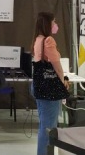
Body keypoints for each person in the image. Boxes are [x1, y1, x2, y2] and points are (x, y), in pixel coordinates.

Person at [31, 12, 69, 155]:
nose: (55, 25)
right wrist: (63, 82)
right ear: (47, 24)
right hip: (50, 88)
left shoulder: (38, 39)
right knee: (49, 126)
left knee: (44, 124)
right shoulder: (48, 40)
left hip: (40, 86)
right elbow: (57, 66)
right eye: (54, 22)